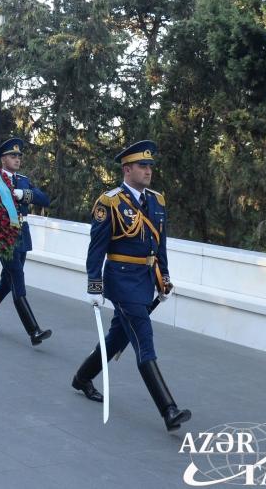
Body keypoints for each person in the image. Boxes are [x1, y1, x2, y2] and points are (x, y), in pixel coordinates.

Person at [71, 140, 191, 432]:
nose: (148, 170)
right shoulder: (110, 202)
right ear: (127, 169)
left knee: (118, 338)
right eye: (142, 165)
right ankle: (169, 409)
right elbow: (97, 249)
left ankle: (82, 378)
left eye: (150, 166)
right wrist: (94, 285)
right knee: (143, 339)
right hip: (122, 281)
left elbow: (160, 246)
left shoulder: (157, 201)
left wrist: (164, 279)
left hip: (145, 280)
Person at [0, 137, 53, 345]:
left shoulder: (23, 180)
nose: (17, 159)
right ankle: (33, 330)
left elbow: (44, 199)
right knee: (17, 277)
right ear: (3, 159)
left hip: (21, 235)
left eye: (19, 156)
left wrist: (23, 194)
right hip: (3, 235)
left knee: (7, 282)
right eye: (12, 156)